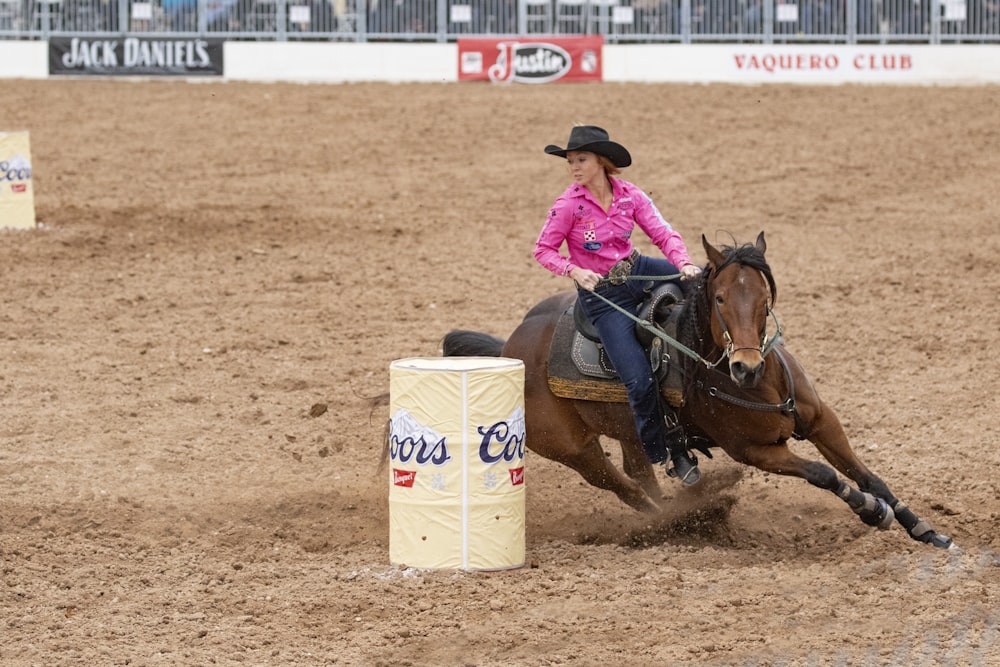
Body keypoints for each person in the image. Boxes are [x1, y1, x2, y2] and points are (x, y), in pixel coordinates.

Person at [533, 124, 703, 487]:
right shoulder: (568, 205)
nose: (574, 167)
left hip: (638, 271)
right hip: (603, 298)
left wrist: (683, 263)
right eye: (570, 161)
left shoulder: (630, 195)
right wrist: (574, 270)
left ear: (602, 162)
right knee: (639, 381)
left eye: (581, 159)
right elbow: (543, 250)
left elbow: (662, 232)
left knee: (703, 281)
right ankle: (666, 451)